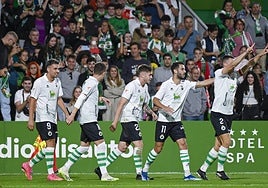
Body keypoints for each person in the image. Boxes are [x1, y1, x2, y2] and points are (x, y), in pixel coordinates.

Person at [196, 44, 267, 180]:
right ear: (225, 64)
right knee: (227, 142)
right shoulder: (219, 73)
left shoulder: (234, 75)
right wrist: (245, 52)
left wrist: (260, 54)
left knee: (218, 144)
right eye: (231, 62)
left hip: (228, 114)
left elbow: (249, 65)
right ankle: (220, 171)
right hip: (218, 113)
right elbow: (234, 64)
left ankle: (202, 170)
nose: (234, 65)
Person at [140, 62, 214, 181]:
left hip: (176, 122)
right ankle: (144, 171)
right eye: (182, 69)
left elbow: (202, 83)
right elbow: (155, 99)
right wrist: (165, 107)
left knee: (183, 144)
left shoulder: (186, 84)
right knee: (158, 148)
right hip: (163, 121)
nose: (185, 71)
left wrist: (219, 77)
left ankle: (187, 174)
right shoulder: (166, 84)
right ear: (175, 71)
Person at [94, 64, 157, 180]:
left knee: (122, 147)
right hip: (129, 118)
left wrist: (151, 112)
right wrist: (115, 122)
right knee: (139, 145)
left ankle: (101, 168)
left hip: (135, 119)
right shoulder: (131, 86)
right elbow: (121, 103)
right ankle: (140, 174)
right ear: (143, 75)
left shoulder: (145, 87)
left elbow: (144, 104)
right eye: (149, 74)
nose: (151, 77)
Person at [58, 63, 119, 182]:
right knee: (101, 144)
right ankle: (104, 174)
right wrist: (72, 115)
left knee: (84, 147)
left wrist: (101, 98)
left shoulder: (91, 82)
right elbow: (81, 97)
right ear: (102, 73)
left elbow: (88, 97)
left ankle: (65, 168)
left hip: (86, 119)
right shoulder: (91, 83)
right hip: (88, 119)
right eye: (105, 72)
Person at [21, 59, 70, 181]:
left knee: (50, 147)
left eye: (58, 69)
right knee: (49, 144)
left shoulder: (57, 82)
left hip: (52, 118)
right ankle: (50, 174)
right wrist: (31, 119)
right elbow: (32, 100)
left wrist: (66, 113)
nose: (57, 71)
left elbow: (59, 99)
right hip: (42, 117)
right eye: (55, 68)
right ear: (48, 69)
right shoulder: (39, 82)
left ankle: (29, 164)